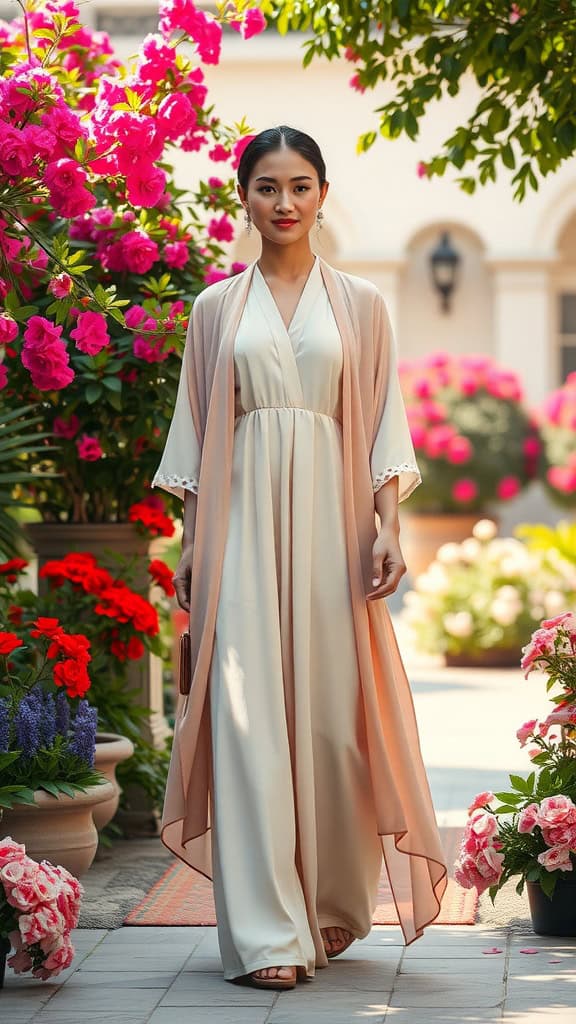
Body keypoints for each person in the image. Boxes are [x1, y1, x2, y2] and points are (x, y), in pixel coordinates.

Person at [152, 125, 447, 992]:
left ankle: (329, 904)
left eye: (301, 186)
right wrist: (194, 544)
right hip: (243, 531)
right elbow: (197, 438)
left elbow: (384, 420)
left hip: (333, 528)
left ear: (323, 194)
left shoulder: (361, 305)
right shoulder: (216, 310)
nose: (284, 202)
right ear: (241, 196)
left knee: (329, 722)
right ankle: (269, 934)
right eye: (267, 186)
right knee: (247, 722)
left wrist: (388, 523)